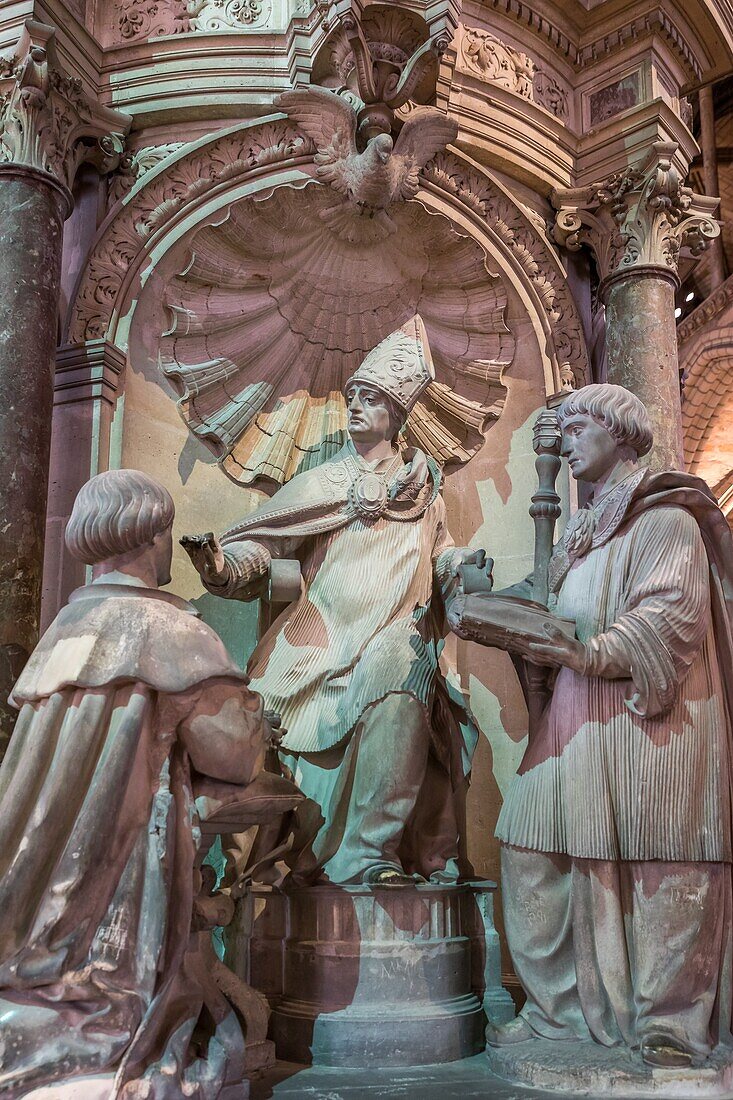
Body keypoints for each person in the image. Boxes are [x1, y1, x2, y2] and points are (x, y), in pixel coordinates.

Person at [184, 316, 489, 886]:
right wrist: (224, 565)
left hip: (394, 632)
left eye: (370, 399)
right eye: (353, 397)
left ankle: (367, 853)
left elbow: (439, 555)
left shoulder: (424, 491)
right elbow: (266, 544)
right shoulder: (324, 483)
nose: (354, 408)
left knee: (406, 661)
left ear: (395, 415)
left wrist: (460, 565)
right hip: (320, 643)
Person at [0, 469, 271, 1097]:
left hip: (36, 881)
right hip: (114, 882)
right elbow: (234, 756)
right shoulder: (167, 630)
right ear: (153, 535)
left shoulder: (63, 631)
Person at [488, 383, 733, 1067]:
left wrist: (590, 651)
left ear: (620, 434)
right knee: (528, 846)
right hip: (577, 710)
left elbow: (671, 616)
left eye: (577, 427)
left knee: (663, 860)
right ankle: (559, 1013)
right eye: (560, 430)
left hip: (653, 714)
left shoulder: (665, 518)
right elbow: (556, 604)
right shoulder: (583, 527)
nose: (564, 442)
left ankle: (668, 1025)